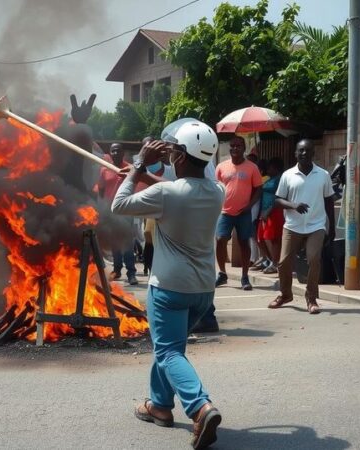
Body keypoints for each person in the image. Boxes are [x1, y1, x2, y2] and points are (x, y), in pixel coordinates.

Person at [112, 119, 224, 449]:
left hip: (169, 289)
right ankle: (159, 405)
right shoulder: (217, 191)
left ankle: (200, 408)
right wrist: (144, 176)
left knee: (169, 351)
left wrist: (135, 168)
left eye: (174, 150)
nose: (171, 154)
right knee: (169, 348)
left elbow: (118, 205)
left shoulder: (164, 194)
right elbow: (178, 189)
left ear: (182, 158)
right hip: (203, 289)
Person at [268, 139, 335, 314]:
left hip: (316, 225)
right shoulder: (287, 175)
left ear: (314, 153)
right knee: (283, 262)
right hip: (292, 226)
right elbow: (276, 200)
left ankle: (311, 298)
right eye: (301, 151)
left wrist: (332, 227)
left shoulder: (323, 175)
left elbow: (329, 201)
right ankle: (285, 294)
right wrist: (293, 205)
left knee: (313, 259)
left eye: (308, 151)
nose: (304, 153)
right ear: (295, 154)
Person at [214, 136, 263, 291]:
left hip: (244, 212)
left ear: (244, 148)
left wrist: (250, 206)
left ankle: (244, 276)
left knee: (244, 242)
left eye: (238, 146)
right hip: (224, 212)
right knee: (220, 239)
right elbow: (215, 188)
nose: (235, 148)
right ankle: (222, 273)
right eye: (232, 145)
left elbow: (258, 189)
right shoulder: (221, 167)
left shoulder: (252, 167)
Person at [97, 143, 138, 285]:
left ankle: (131, 273)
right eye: (113, 151)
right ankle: (117, 269)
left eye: (118, 151)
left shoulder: (130, 169)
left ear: (123, 153)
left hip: (126, 209)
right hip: (110, 211)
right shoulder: (104, 169)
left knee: (127, 243)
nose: (115, 153)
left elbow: (134, 187)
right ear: (110, 153)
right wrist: (101, 208)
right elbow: (101, 190)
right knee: (114, 242)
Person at [257, 158, 285, 275]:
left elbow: (279, 197)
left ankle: (275, 263)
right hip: (264, 210)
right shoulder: (269, 179)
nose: (268, 169)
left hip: (273, 211)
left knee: (273, 239)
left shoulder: (280, 180)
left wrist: (268, 210)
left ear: (276, 168)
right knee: (260, 238)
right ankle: (270, 260)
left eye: (270, 167)